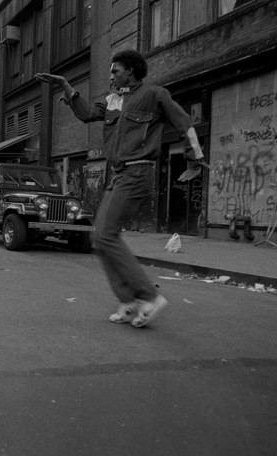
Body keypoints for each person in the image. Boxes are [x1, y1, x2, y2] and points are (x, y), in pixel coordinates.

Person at [35, 49, 205, 328]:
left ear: (131, 71)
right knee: (100, 238)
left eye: (115, 71)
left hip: (138, 171)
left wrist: (194, 160)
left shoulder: (154, 95)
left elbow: (184, 122)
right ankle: (128, 301)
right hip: (118, 174)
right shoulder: (113, 100)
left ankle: (149, 297)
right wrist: (66, 86)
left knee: (107, 235)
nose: (111, 76)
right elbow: (88, 113)